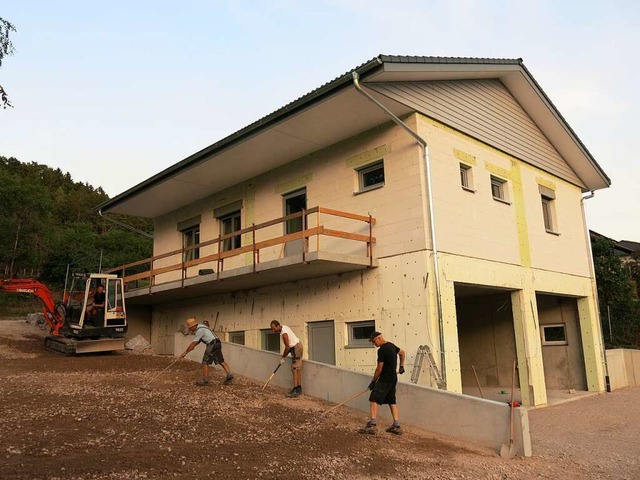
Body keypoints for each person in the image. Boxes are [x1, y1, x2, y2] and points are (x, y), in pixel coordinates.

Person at [360, 331, 405, 435]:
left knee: (373, 399)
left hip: (385, 379)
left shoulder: (382, 350)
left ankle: (372, 425)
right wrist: (401, 366)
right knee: (391, 401)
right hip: (393, 378)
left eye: (374, 341)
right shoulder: (392, 346)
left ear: (379, 338)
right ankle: (396, 425)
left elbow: (379, 368)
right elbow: (402, 353)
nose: (373, 344)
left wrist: (373, 382)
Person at [179, 317, 234, 386]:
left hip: (212, 344)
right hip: (217, 342)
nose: (190, 329)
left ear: (193, 326)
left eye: (190, 328)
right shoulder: (202, 326)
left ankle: (205, 380)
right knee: (221, 361)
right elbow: (198, 341)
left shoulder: (199, 331)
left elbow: (193, 344)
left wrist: (185, 353)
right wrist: (188, 350)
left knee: (205, 362)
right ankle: (230, 376)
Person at [270, 320, 303, 397]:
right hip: (296, 346)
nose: (273, 330)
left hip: (296, 348)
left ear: (278, 326)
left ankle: (296, 390)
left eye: (274, 328)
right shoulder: (284, 327)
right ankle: (298, 388)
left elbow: (287, 347)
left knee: (295, 368)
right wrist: (284, 356)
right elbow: (289, 347)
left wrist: (283, 357)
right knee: (297, 368)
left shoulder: (284, 334)